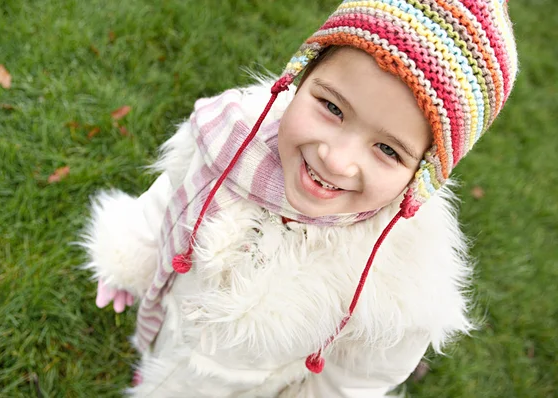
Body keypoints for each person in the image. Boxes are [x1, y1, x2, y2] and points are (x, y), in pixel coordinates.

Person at [81, 0, 518, 396]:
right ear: (301, 75)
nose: (336, 159)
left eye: (387, 150)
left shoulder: (399, 285)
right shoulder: (230, 139)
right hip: (179, 321)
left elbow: (358, 378)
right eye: (332, 107)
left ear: (424, 172)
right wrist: (132, 251)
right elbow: (171, 194)